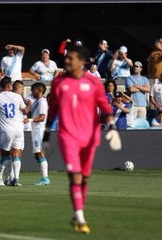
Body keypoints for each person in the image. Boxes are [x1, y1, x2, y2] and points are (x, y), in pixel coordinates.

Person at [43, 45, 119, 234]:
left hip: (91, 137)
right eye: (66, 58)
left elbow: (105, 105)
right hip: (67, 136)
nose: (67, 61)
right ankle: (80, 215)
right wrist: (45, 137)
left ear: (82, 61)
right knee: (75, 176)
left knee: (84, 178)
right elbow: (52, 110)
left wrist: (112, 126)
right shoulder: (59, 82)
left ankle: (77, 213)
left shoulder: (93, 82)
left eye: (71, 58)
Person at [28, 82, 50, 185]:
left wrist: (30, 120)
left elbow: (42, 118)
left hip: (39, 130)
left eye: (33, 90)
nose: (32, 92)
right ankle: (44, 176)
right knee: (37, 155)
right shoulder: (37, 101)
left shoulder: (42, 102)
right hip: (36, 130)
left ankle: (45, 178)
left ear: (39, 90)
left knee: (40, 153)